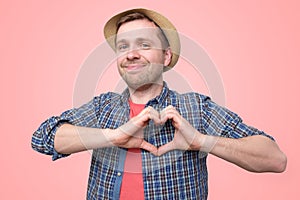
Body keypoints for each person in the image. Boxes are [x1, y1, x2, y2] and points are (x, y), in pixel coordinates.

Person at [32, 8, 287, 200]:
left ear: (166, 56)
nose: (131, 54)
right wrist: (114, 136)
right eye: (123, 46)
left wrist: (200, 141)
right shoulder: (103, 108)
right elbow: (42, 137)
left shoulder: (196, 108)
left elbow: (275, 160)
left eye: (144, 44)